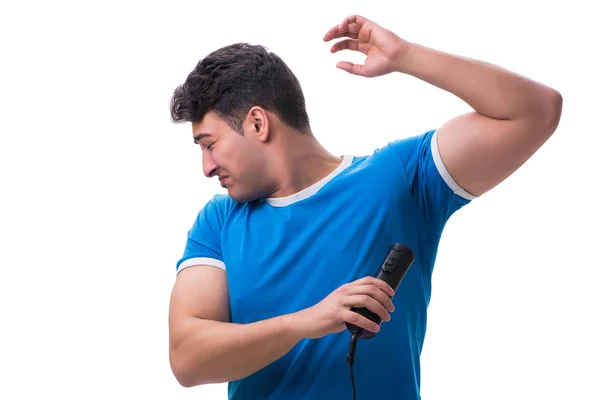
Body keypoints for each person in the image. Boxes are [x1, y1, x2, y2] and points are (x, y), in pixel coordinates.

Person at [167, 14, 562, 400]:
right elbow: (187, 358)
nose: (206, 167)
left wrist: (406, 56)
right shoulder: (218, 222)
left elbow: (536, 110)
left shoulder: (398, 180)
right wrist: (306, 322)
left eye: (209, 144)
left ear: (257, 123)